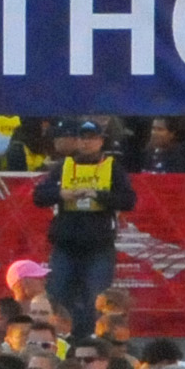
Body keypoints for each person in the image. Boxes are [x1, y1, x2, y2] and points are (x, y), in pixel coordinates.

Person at [42, 120, 129, 341]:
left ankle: (95, 341)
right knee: (58, 298)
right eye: (82, 138)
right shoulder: (64, 166)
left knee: (97, 301)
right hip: (65, 244)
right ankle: (58, 341)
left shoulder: (112, 168)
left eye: (91, 138)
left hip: (98, 246)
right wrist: (62, 194)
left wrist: (98, 194)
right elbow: (39, 195)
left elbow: (129, 200)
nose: (86, 142)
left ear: (101, 141)